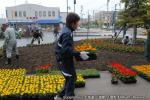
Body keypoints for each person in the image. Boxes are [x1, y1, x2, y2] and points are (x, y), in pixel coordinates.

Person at [55, 13, 89, 100]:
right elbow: (66, 50)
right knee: (71, 77)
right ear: (72, 23)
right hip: (63, 60)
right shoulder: (67, 33)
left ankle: (60, 96)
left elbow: (66, 48)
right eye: (77, 23)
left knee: (70, 77)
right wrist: (79, 53)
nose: (78, 25)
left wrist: (77, 52)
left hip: (63, 59)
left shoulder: (67, 30)